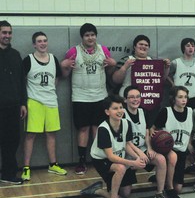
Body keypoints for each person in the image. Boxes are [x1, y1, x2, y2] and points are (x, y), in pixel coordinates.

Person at [61, 23, 116, 175]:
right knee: (83, 128)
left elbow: (111, 72)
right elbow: (65, 75)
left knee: (97, 129)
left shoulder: (103, 50)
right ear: (82, 37)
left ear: (96, 36)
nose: (90, 37)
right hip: (81, 97)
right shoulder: (74, 51)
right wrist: (63, 66)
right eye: (87, 35)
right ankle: (82, 161)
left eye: (92, 34)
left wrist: (113, 64)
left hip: (100, 96)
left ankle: (100, 159)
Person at [21, 32, 67, 181]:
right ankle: (26, 167)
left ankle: (53, 164)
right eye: (39, 41)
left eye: (45, 41)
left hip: (51, 101)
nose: (42, 43)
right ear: (34, 44)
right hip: (34, 102)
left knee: (51, 134)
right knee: (31, 135)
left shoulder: (53, 59)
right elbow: (21, 81)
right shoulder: (28, 60)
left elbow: (57, 77)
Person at [90, 94, 146, 198]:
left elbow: (128, 144)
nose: (119, 111)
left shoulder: (126, 123)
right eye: (115, 108)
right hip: (102, 160)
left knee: (125, 194)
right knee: (120, 168)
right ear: (107, 112)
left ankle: (98, 190)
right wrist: (132, 163)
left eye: (121, 107)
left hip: (118, 156)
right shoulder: (103, 129)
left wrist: (138, 156)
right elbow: (110, 157)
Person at [123, 85, 173, 198]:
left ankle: (159, 193)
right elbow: (124, 143)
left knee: (160, 159)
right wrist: (137, 158)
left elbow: (146, 132)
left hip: (141, 149)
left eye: (137, 97)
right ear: (125, 100)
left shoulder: (143, 111)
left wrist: (149, 148)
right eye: (131, 97)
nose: (135, 100)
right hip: (126, 154)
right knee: (125, 194)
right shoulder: (122, 115)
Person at [112, 34, 170, 127]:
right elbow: (115, 80)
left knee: (146, 127)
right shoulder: (126, 60)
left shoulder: (153, 62)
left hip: (148, 100)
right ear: (135, 46)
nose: (143, 46)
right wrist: (125, 67)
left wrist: (166, 68)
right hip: (128, 99)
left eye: (146, 45)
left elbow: (160, 81)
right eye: (141, 44)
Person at [151, 86, 193, 198]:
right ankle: (169, 189)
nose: (183, 100)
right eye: (180, 97)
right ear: (173, 99)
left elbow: (190, 130)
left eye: (185, 97)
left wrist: (189, 144)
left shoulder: (190, 112)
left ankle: (160, 177)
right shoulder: (166, 111)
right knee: (172, 157)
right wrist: (155, 136)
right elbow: (152, 128)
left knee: (179, 188)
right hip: (167, 150)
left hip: (182, 151)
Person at [0, 20, 27, 185]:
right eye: (4, 32)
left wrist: (22, 103)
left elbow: (21, 81)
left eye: (9, 33)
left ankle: (8, 174)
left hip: (13, 107)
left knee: (12, 141)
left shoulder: (16, 54)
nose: (7, 36)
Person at [168, 38, 195, 108]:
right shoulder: (175, 63)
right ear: (183, 48)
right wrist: (172, 84)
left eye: (192, 46)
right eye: (188, 46)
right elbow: (166, 75)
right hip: (180, 97)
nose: (191, 48)